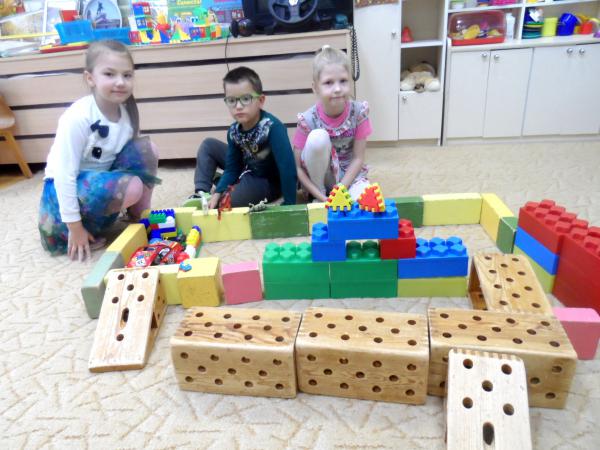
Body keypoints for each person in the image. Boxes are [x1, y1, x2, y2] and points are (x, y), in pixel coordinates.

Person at [38, 40, 160, 261]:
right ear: (90, 78)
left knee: (147, 149)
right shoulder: (78, 117)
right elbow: (64, 175)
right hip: (62, 198)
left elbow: (128, 157)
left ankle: (139, 215)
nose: (120, 82)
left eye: (127, 75)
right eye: (109, 74)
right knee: (132, 186)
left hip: (98, 181)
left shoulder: (126, 112)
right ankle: (83, 229)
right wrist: (74, 227)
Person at [185, 66, 297, 209]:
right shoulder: (233, 131)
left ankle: (223, 182)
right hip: (246, 166)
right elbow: (232, 167)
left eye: (245, 99)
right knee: (208, 145)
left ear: (261, 100)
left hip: (266, 180)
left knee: (228, 202)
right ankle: (202, 193)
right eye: (232, 100)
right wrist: (217, 192)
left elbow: (287, 168)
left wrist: (290, 204)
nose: (238, 106)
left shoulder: (273, 128)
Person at [293, 45, 372, 203]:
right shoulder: (307, 120)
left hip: (349, 178)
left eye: (343, 81)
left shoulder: (358, 112)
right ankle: (320, 195)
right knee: (318, 137)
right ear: (315, 88)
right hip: (320, 181)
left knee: (364, 202)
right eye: (328, 82)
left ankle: (340, 194)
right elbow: (297, 167)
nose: (337, 89)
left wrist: (341, 190)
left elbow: (358, 158)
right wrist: (321, 197)